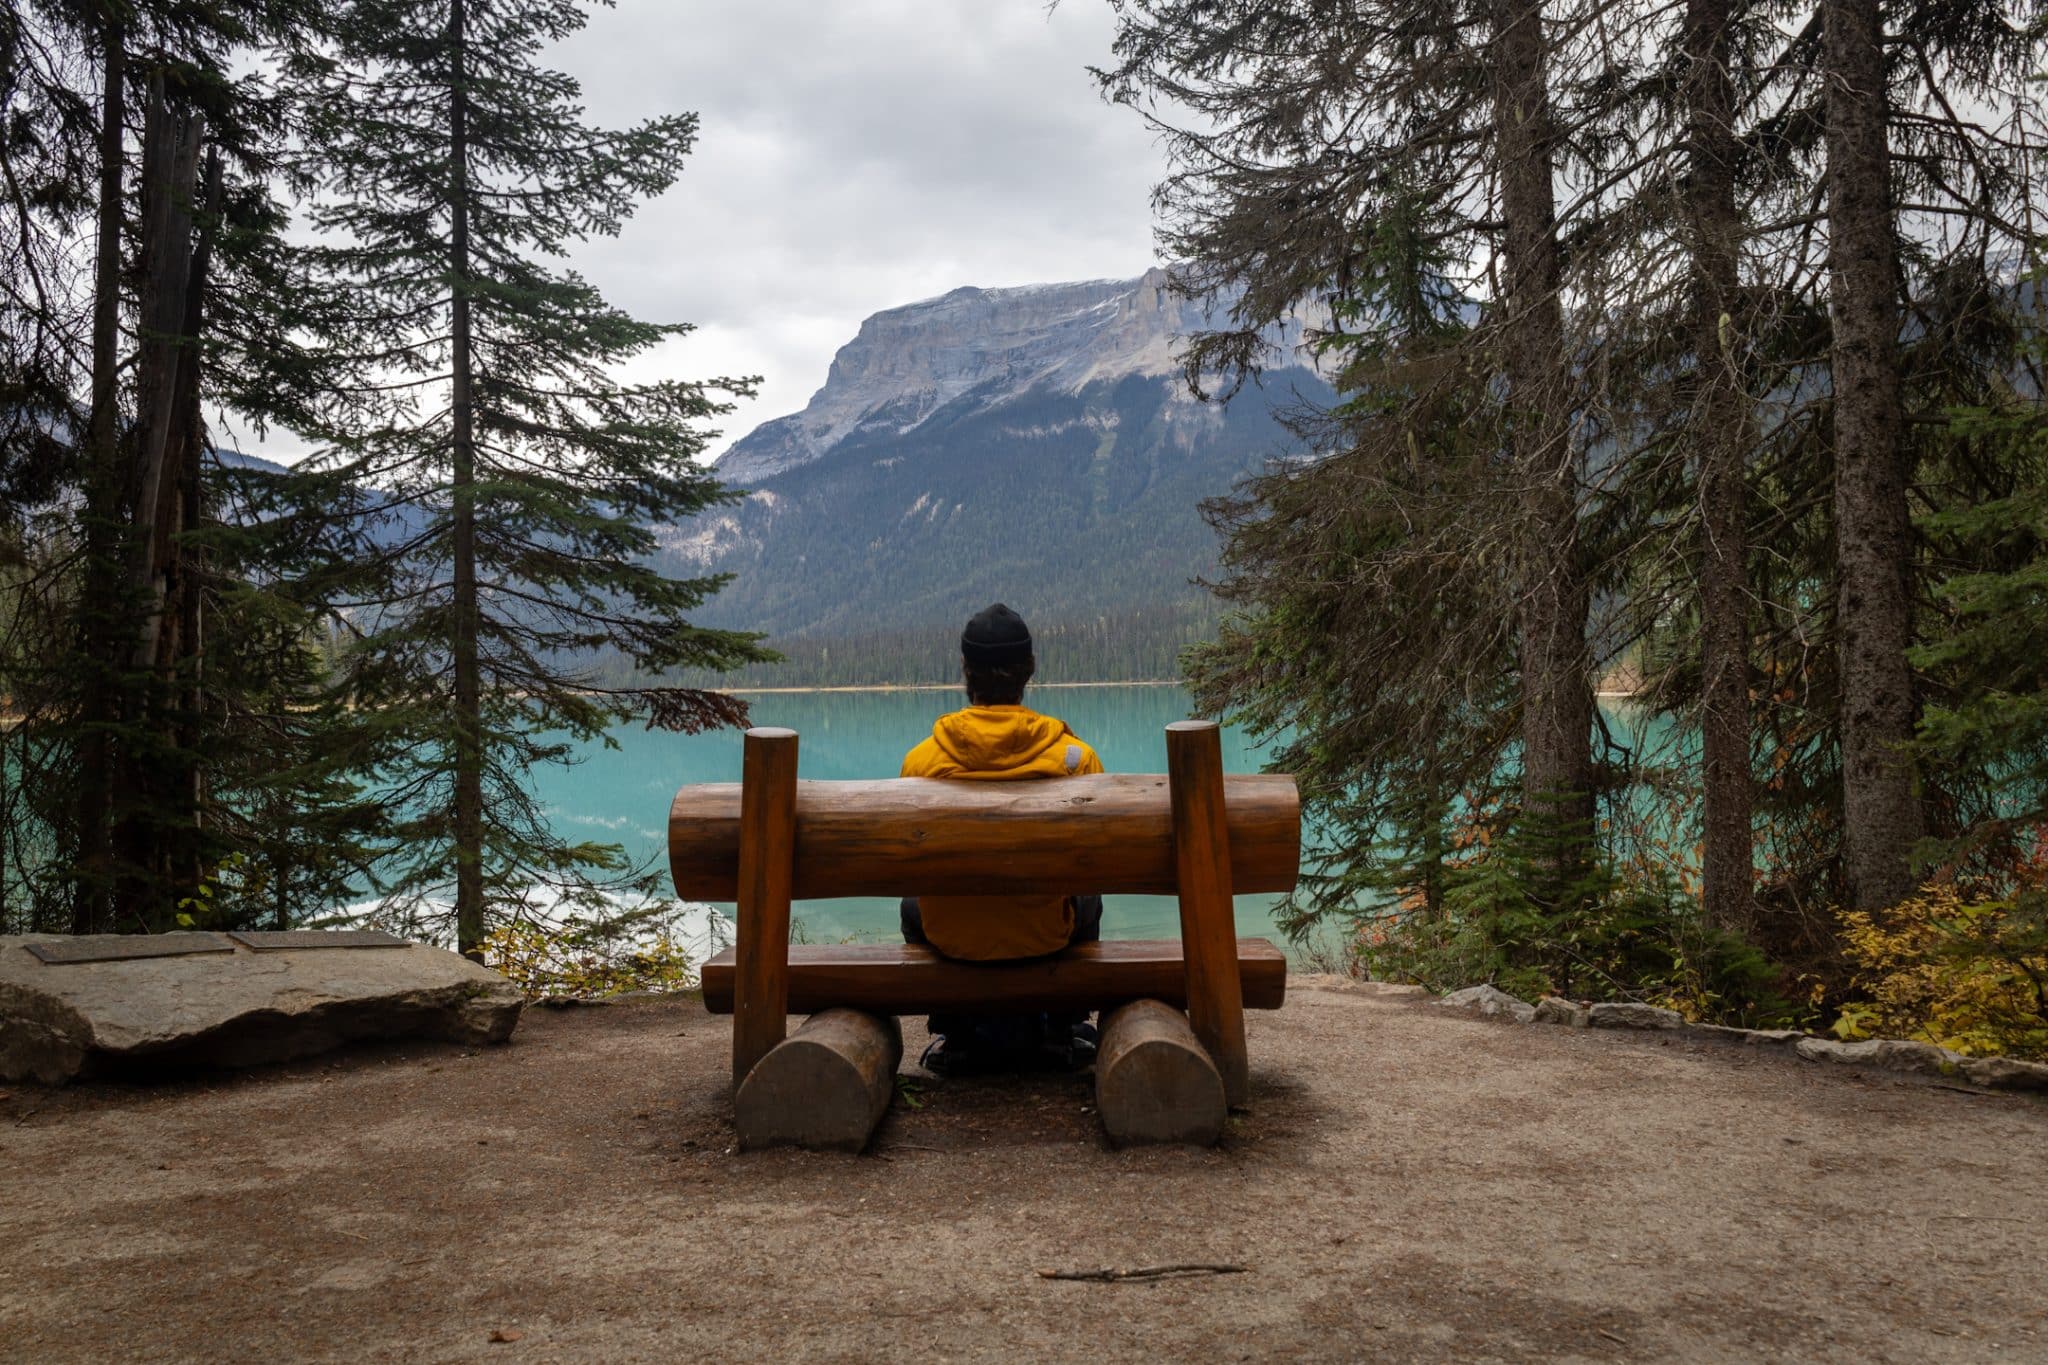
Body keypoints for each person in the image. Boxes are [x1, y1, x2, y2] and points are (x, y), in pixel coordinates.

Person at [900, 602, 1105, 1076]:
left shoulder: (921, 762)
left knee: (913, 905)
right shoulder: (1076, 758)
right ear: (1028, 670)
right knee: (1087, 898)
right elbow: (1096, 864)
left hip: (952, 939)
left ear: (966, 670)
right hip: (1045, 935)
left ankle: (956, 1031)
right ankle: (1063, 1027)